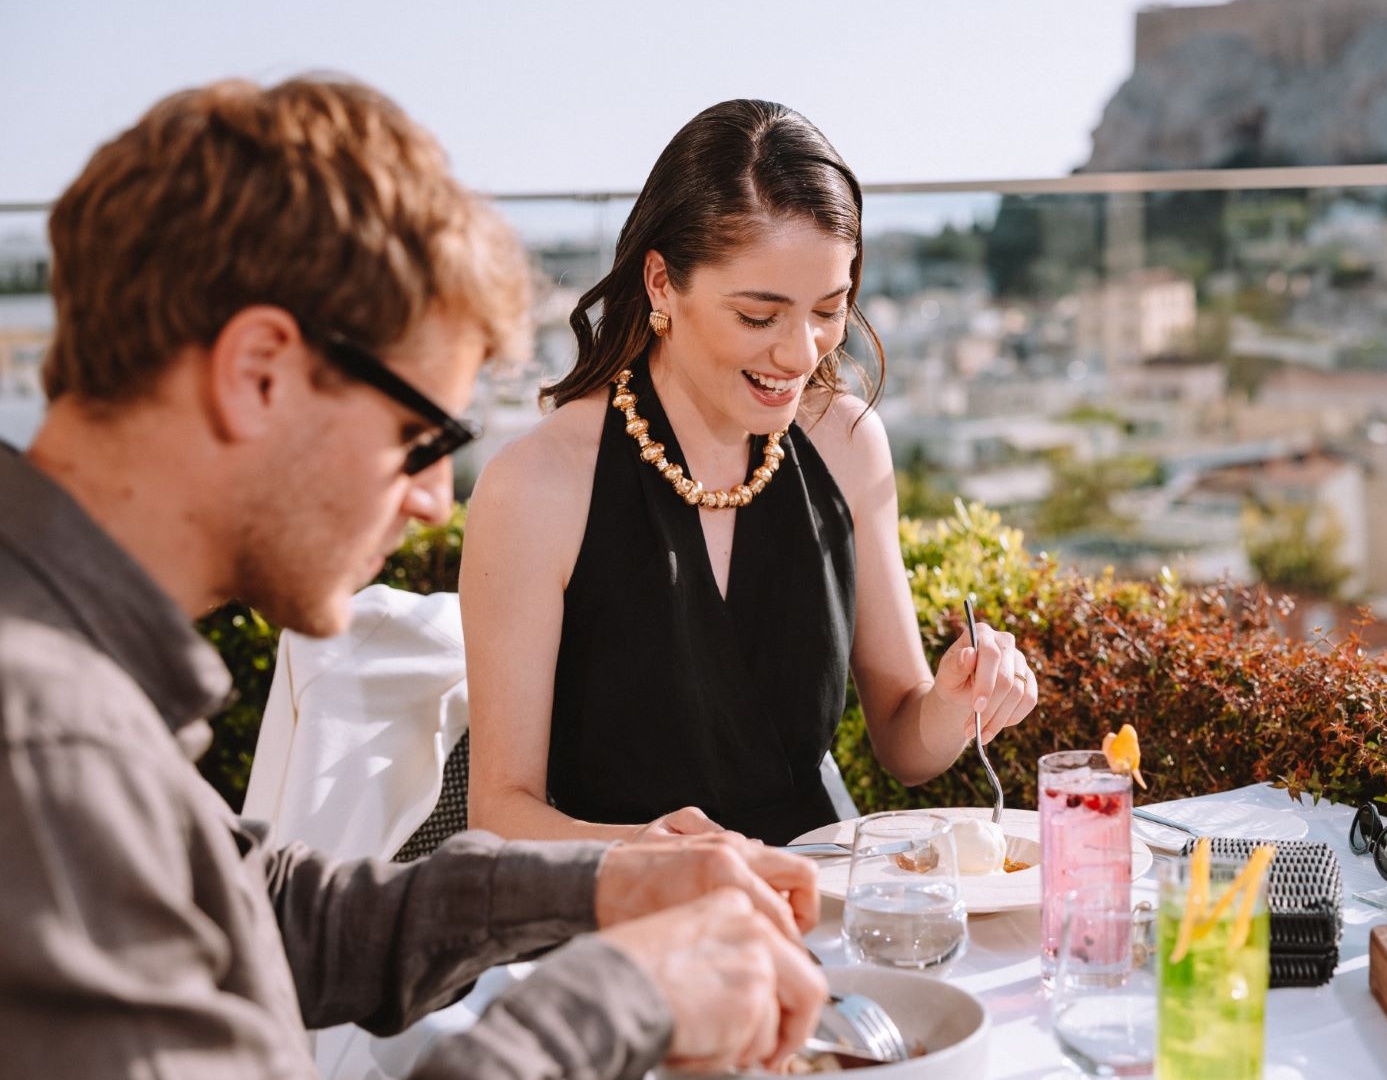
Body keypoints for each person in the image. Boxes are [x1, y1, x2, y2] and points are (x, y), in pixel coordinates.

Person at [0, 76, 826, 1078]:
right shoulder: (44, 739)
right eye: (418, 436)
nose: (437, 498)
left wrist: (608, 887)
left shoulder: (64, 658)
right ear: (258, 372)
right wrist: (625, 995)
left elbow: (259, 911)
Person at [461, 99, 1041, 846]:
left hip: (818, 903)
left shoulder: (847, 444)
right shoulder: (537, 485)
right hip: (613, 923)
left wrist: (958, 701)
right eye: (759, 317)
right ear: (663, 284)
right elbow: (501, 816)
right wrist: (668, 858)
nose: (802, 354)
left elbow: (905, 743)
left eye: (828, 310)